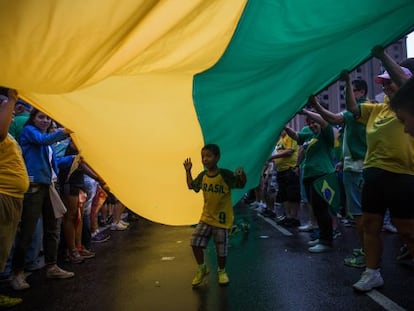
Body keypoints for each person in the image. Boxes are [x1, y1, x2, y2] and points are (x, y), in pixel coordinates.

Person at [344, 47, 414, 291]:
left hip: (403, 174)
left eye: (390, 82)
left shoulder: (408, 103)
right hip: (373, 174)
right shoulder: (377, 108)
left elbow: (406, 83)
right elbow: (353, 110)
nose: (386, 87)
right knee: (370, 225)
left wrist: (381, 54)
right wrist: (346, 79)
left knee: (407, 229)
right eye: (383, 83)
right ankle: (372, 272)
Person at [10, 108, 75, 291]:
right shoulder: (30, 132)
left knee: (53, 227)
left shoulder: (47, 144)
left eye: (47, 117)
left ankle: (52, 267)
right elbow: (42, 140)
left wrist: (74, 158)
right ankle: (17, 274)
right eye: (41, 117)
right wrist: (64, 131)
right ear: (32, 118)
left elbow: (53, 165)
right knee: (28, 231)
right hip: (34, 188)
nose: (45, 121)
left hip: (48, 187)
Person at [309, 79, 369, 268]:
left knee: (360, 214)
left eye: (351, 91)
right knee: (359, 214)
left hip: (358, 168)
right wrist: (343, 162)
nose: (346, 96)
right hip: (352, 167)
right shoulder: (357, 112)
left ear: (361, 92)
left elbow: (333, 119)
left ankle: (367, 254)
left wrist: (315, 105)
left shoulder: (361, 108)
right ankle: (366, 250)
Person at [183, 144, 246, 287]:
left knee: (221, 248)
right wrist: (188, 171)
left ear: (217, 158)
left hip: (221, 219)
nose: (205, 159)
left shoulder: (225, 175)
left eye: (208, 156)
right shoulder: (203, 176)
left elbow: (241, 184)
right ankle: (202, 268)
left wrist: (242, 175)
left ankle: (222, 271)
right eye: (203, 157)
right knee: (195, 242)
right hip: (206, 217)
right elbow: (192, 186)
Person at [284, 102, 337, 253]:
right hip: (309, 176)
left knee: (321, 209)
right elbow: (295, 135)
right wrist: (283, 125)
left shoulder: (326, 133)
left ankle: (326, 241)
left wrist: (306, 111)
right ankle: (321, 237)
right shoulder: (309, 135)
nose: (312, 125)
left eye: (314, 123)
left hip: (322, 175)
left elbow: (323, 121)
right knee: (315, 209)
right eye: (310, 123)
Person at [0, 88, 29, 307]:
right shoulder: (2, 133)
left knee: (4, 247)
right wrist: (11, 98)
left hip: (12, 197)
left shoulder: (8, 135)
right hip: (4, 197)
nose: (11, 115)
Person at [267, 129, 301, 227]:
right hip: (281, 170)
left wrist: (272, 157)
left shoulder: (291, 136)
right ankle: (288, 216)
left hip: (290, 169)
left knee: (292, 195)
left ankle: (294, 218)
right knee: (284, 195)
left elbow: (289, 151)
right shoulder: (280, 140)